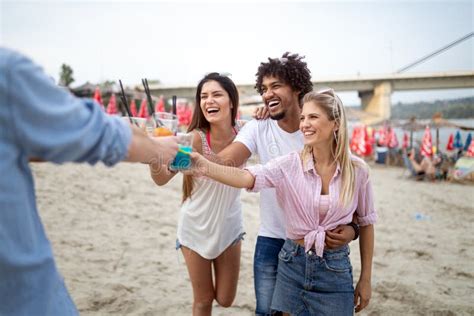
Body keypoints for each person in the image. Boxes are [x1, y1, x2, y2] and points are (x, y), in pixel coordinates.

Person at [0, 47, 179, 316]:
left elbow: (34, 146)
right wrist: (157, 148)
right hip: (25, 299)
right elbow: (101, 136)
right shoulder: (7, 73)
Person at [189, 89, 377, 315]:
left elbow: (366, 224)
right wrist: (201, 164)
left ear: (335, 124)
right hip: (292, 264)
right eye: (303, 117)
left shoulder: (358, 171)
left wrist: (365, 279)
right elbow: (246, 177)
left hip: (335, 270)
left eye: (313, 117)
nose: (305, 124)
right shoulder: (289, 164)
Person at [215, 52, 358, 315]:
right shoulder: (259, 127)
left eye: (276, 86)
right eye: (264, 89)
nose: (267, 94)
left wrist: (353, 229)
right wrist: (187, 156)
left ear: (297, 88)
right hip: (272, 238)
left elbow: (350, 194)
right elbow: (228, 161)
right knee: (266, 312)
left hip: (317, 246)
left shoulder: (318, 131)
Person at [149, 73, 244, 315]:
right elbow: (162, 178)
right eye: (203, 96)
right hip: (195, 228)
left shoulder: (244, 134)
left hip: (229, 228)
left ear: (231, 101)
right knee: (203, 300)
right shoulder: (194, 140)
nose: (209, 100)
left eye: (216, 94)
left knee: (225, 299)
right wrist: (153, 156)